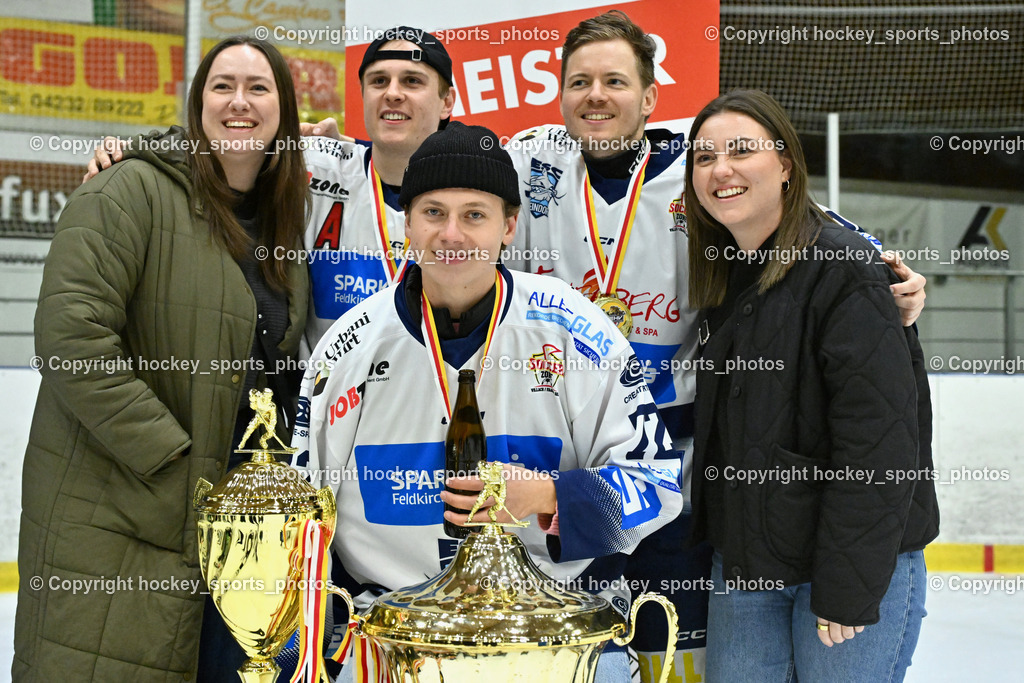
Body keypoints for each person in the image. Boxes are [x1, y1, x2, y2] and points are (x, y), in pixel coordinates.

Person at [501, 10, 929, 678]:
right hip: (575, 469)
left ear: (649, 98)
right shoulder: (531, 161)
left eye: (615, 80)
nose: (595, 95)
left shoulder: (694, 163)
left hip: (681, 474)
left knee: (681, 659)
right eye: (579, 80)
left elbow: (810, 224)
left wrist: (881, 264)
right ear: (559, 93)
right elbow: (434, 167)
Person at [293, 121, 684, 682]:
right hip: (395, 644)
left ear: (509, 226)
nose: (451, 233)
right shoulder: (346, 347)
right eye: (433, 213)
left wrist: (546, 496)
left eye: (474, 214)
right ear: (408, 223)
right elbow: (307, 518)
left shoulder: (575, 330)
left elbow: (659, 487)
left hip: (552, 639)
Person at [13, 36, 310, 682]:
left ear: (283, 112)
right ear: (196, 103)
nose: (239, 101)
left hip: (239, 540)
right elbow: (70, 336)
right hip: (128, 521)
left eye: (259, 88)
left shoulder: (285, 225)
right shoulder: (128, 190)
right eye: (222, 85)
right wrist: (175, 458)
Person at [684, 89, 938, 681]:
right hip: (747, 565)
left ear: (785, 165)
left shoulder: (845, 268)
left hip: (846, 568)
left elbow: (881, 442)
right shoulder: (721, 270)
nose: (720, 168)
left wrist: (849, 583)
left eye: (741, 150)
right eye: (704, 156)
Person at [86, 26, 455, 348]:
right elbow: (221, 139)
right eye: (378, 81)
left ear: (447, 101)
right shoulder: (312, 161)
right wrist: (132, 150)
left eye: (411, 81)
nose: (392, 93)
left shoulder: (480, 194)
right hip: (326, 411)